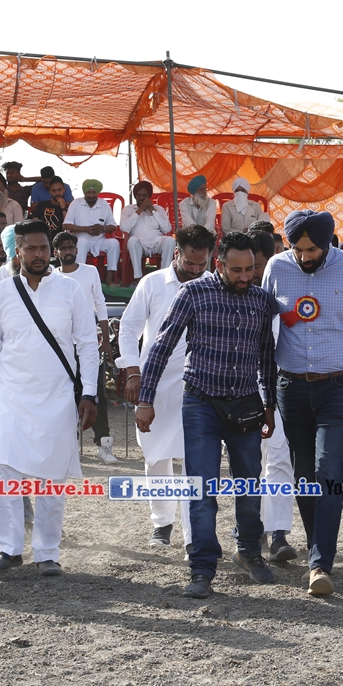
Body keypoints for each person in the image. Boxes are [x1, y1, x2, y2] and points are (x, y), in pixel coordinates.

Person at [136, 232, 279, 599]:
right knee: (201, 488)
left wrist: (269, 405)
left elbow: (267, 357)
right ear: (220, 265)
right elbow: (161, 347)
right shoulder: (193, 293)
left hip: (246, 403)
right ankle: (201, 568)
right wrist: (145, 399)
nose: (245, 277)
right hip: (201, 403)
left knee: (249, 485)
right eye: (236, 270)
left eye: (250, 269)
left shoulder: (262, 300)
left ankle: (249, 551)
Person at [263, 210, 343, 596]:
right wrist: (266, 391)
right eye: (297, 249)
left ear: (327, 242)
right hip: (291, 387)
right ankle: (317, 550)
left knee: (328, 472)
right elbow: (265, 327)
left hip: (341, 385)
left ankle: (320, 564)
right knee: (303, 475)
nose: (304, 256)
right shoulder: (276, 268)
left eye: (312, 249)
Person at [0, 220, 99, 577]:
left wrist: (89, 394)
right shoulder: (1, 292)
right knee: (4, 472)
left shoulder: (70, 290)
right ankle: (9, 549)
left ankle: (47, 552)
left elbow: (87, 345)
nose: (38, 254)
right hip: (10, 398)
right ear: (17, 252)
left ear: (51, 251)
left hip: (57, 398)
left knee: (52, 477)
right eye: (30, 248)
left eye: (43, 248)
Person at [118, 225, 215, 548]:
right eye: (190, 263)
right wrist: (134, 373)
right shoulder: (152, 283)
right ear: (176, 254)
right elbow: (128, 329)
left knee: (194, 461)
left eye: (202, 264)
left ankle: (193, 536)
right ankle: (162, 523)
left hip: (198, 387)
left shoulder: (213, 285)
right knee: (156, 456)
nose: (196, 270)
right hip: (154, 386)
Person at [250, 231, 298, 560]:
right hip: (239, 390)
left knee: (279, 457)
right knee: (248, 462)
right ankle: (250, 530)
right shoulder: (229, 296)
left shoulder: (285, 296)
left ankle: (278, 532)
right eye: (245, 267)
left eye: (257, 266)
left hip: (280, 388)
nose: (251, 274)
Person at [53, 231, 117, 463]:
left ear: (76, 249)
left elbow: (100, 304)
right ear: (56, 252)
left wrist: (106, 340)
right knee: (64, 394)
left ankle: (104, 445)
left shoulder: (90, 271)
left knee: (97, 393)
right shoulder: (51, 276)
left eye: (71, 247)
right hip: (61, 346)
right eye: (63, 248)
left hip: (89, 344)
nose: (68, 251)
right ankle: (68, 445)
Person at [62, 178, 120, 283]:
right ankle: (79, 278)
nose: (91, 195)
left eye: (94, 193)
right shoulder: (76, 203)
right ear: (84, 192)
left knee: (114, 243)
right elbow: (66, 225)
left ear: (97, 193)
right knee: (82, 242)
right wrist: (85, 229)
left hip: (100, 240)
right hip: (81, 239)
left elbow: (113, 225)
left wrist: (102, 228)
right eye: (89, 192)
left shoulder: (104, 204)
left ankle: (109, 277)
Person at [120, 181, 175, 286]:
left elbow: (167, 229)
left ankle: (164, 278)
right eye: (139, 195)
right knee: (132, 241)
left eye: (144, 195)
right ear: (135, 196)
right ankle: (138, 279)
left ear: (149, 196)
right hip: (139, 242)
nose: (141, 198)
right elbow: (124, 228)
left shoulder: (158, 209)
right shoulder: (128, 209)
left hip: (156, 241)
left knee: (170, 241)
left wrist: (153, 211)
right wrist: (140, 210)